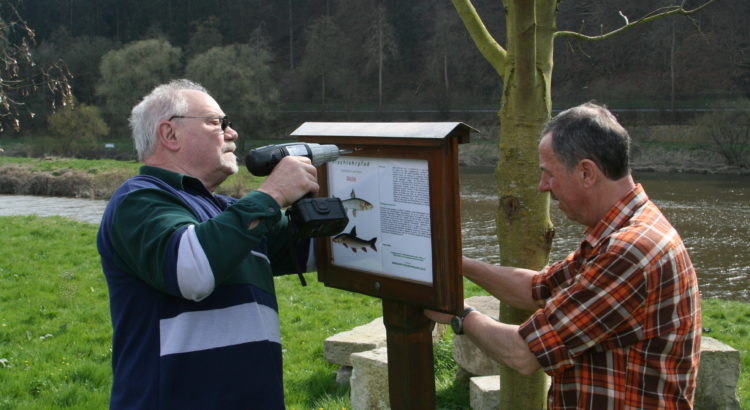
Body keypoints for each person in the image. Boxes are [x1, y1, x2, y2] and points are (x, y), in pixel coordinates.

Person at [427, 102, 701, 409]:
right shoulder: (621, 232)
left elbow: (524, 352)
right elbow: (538, 287)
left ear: (586, 172)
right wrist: (454, 262)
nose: (543, 186)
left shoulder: (630, 251)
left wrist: (456, 313)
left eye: (549, 174)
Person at [97, 79, 319, 409]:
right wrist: (273, 194)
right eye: (217, 123)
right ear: (169, 134)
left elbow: (327, 252)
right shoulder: (138, 201)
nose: (232, 134)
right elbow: (191, 271)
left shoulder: (232, 213)